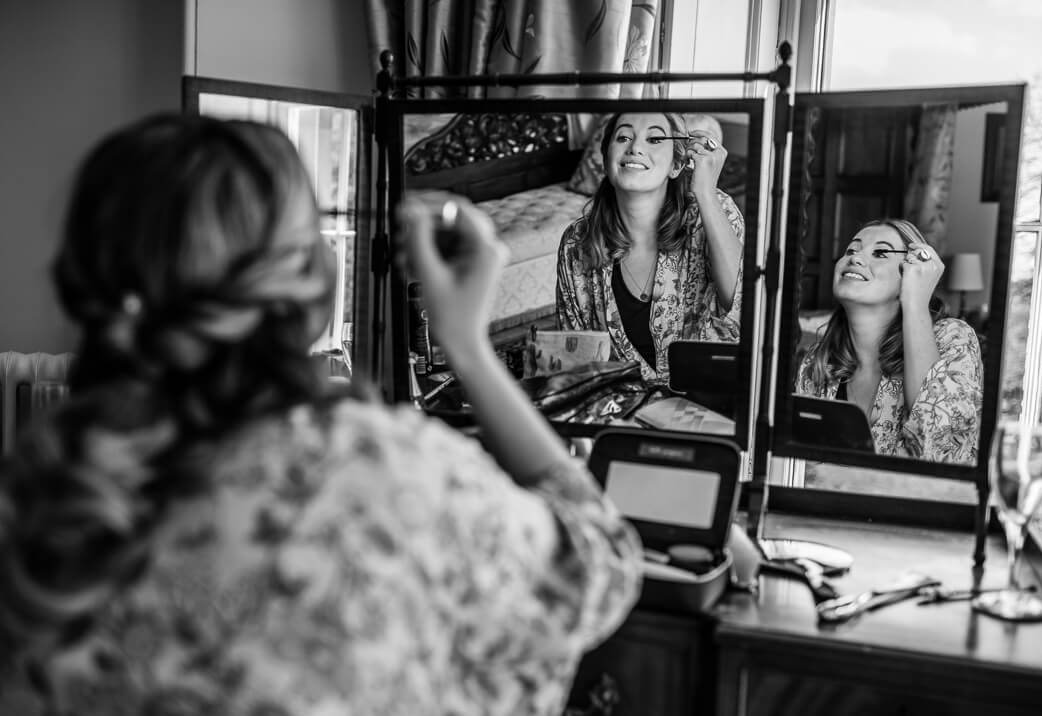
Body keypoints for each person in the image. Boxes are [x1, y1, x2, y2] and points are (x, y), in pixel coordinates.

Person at [0, 115, 642, 716]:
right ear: (313, 278)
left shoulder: (44, 490)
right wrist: (468, 348)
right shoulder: (383, 473)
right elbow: (597, 568)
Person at [555, 112, 745, 383]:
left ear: (676, 165)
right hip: (619, 411)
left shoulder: (714, 210)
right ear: (606, 160)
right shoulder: (577, 243)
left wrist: (705, 191)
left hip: (708, 407)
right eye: (623, 137)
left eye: (654, 138)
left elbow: (744, 306)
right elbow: (572, 356)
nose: (635, 147)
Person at [795, 218, 983, 465]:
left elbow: (938, 450)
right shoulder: (819, 362)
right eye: (851, 249)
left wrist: (915, 301)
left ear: (910, 274)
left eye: (881, 252)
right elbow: (799, 467)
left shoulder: (953, 338)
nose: (856, 258)